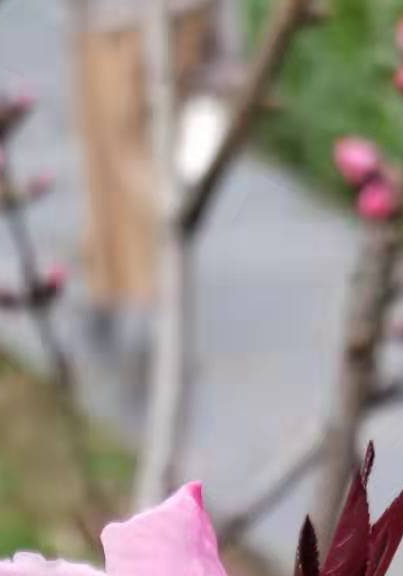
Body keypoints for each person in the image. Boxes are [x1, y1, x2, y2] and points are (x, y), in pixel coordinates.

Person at [70, 0, 240, 339]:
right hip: (145, 17)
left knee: (128, 148)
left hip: (128, 20)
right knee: (114, 148)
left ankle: (154, 275)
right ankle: (109, 282)